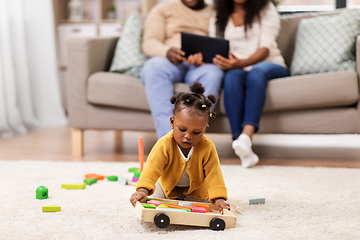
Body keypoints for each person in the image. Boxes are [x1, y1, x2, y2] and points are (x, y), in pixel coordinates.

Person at [188, 0, 289, 168]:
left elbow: (266, 48)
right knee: (231, 77)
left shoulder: (265, 8)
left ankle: (246, 137)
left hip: (269, 64)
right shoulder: (219, 14)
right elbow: (215, 48)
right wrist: (205, 61)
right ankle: (241, 146)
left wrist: (241, 63)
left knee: (255, 74)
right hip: (235, 68)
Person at [130, 82, 230, 214]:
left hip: (196, 190)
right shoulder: (164, 144)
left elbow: (214, 174)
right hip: (167, 187)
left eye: (196, 133)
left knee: (200, 207)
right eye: (182, 129)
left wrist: (219, 199)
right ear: (172, 122)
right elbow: (152, 168)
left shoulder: (208, 147)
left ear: (205, 129)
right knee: (154, 202)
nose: (188, 136)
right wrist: (142, 190)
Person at [141, 0, 224, 140]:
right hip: (170, 62)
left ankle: (191, 138)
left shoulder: (217, 12)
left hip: (201, 65)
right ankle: (169, 142)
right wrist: (166, 51)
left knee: (214, 74)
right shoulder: (163, 9)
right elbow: (149, 42)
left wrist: (206, 58)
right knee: (152, 67)